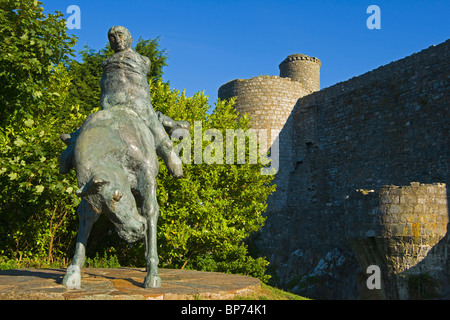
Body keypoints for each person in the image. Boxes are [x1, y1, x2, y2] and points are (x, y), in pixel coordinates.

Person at [100, 25, 183, 178]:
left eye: (120, 35)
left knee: (159, 134)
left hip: (137, 103)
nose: (117, 40)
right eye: (112, 37)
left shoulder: (143, 61)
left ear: (129, 38)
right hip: (110, 104)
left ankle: (169, 153)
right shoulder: (106, 63)